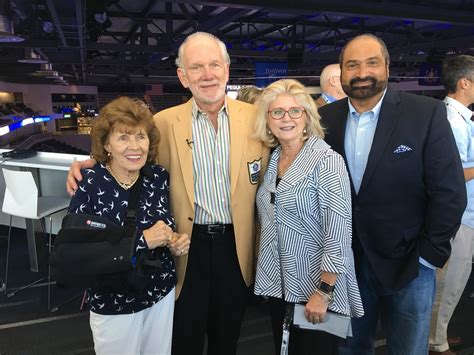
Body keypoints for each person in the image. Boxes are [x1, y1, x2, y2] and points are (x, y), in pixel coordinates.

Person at [66, 32, 269, 355]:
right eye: (197, 67)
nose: (207, 75)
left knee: (227, 338)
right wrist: (92, 161)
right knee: (183, 339)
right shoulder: (162, 123)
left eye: (215, 65)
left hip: (237, 246)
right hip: (185, 247)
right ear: (182, 76)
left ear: (227, 70)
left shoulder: (258, 120)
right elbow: (131, 150)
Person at [318, 34, 467, 355]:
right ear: (341, 72)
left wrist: (429, 256)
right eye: (352, 65)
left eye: (372, 63)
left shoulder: (424, 114)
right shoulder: (325, 121)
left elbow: (450, 191)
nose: (362, 72)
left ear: (387, 66)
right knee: (350, 349)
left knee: (409, 350)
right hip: (345, 268)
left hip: (410, 266)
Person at [67, 96, 190, 355]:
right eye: (123, 137)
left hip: (159, 292)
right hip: (113, 299)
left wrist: (175, 241)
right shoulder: (90, 182)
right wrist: (143, 239)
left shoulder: (158, 177)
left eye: (140, 137)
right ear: (106, 144)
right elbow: (77, 250)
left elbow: (165, 226)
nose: (134, 146)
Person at [253, 78, 364, 354]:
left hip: (315, 288)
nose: (286, 118)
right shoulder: (272, 159)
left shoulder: (326, 161)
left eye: (295, 111)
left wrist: (324, 291)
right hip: (280, 285)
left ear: (307, 116)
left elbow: (338, 231)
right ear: (267, 120)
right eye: (277, 112)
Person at [429, 55, 474, 355]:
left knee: (455, 281)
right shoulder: (450, 120)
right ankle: (435, 342)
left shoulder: (459, 117)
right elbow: (451, 173)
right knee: (448, 282)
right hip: (458, 217)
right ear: (464, 83)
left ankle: (438, 333)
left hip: (465, 215)